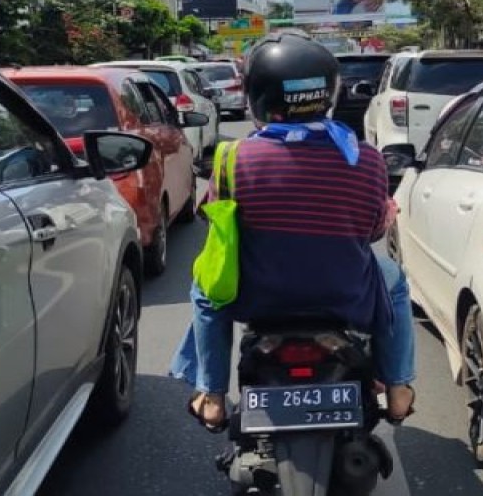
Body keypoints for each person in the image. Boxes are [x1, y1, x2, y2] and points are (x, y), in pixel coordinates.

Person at [170, 31, 417, 432]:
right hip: (345, 295)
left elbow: (213, 217)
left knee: (205, 289)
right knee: (396, 283)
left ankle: (212, 395)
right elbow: (371, 231)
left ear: (257, 97)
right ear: (328, 94)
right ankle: (399, 385)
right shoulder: (365, 158)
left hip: (256, 297)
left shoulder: (232, 158)